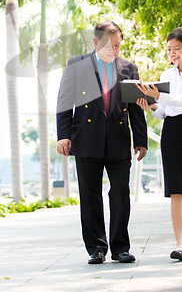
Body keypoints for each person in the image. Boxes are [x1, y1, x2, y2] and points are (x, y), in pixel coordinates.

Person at [56, 21, 148, 265]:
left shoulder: (129, 68)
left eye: (118, 45)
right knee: (90, 196)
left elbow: (136, 109)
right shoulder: (76, 65)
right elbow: (64, 102)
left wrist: (141, 140)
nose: (114, 50)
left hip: (118, 139)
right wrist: (63, 135)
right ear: (95, 42)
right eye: (109, 45)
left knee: (120, 194)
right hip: (86, 138)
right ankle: (96, 248)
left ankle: (120, 248)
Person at [136, 27, 182, 261]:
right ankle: (179, 244)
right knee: (175, 189)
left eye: (177, 48)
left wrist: (158, 95)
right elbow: (165, 112)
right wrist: (151, 105)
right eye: (169, 50)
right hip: (172, 131)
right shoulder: (166, 75)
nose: (173, 53)